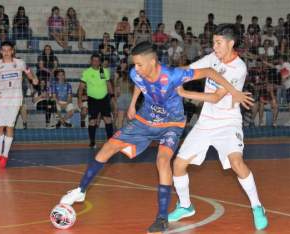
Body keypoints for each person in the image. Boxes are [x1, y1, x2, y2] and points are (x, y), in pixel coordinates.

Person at [59, 41, 253, 233]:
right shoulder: (136, 72)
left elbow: (210, 72)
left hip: (171, 124)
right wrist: (134, 103)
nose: (136, 68)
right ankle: (81, 191)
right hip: (145, 119)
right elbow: (139, 82)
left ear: (153, 62)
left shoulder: (173, 75)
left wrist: (234, 91)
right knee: (110, 146)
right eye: (134, 64)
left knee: (162, 161)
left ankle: (162, 218)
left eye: (139, 64)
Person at [167, 24, 268, 231]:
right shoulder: (212, 58)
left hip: (228, 123)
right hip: (205, 123)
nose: (214, 46)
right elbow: (191, 70)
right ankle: (186, 206)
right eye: (213, 42)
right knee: (178, 164)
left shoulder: (238, 67)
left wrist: (184, 93)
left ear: (231, 43)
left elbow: (215, 97)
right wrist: (167, 74)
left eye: (218, 43)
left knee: (236, 162)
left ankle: (257, 207)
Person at [0, 41, 38, 169]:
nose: (6, 52)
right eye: (3, 50)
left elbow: (29, 73)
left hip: (15, 99)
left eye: (8, 50)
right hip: (2, 99)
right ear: (0, 51)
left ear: (12, 51)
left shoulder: (20, 63)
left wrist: (33, 79)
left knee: (9, 127)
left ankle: (5, 156)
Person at [78, 54, 115, 148]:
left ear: (100, 62)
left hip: (104, 98)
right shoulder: (87, 72)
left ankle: (110, 141)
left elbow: (108, 84)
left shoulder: (103, 71)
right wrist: (79, 100)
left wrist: (112, 95)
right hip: (93, 100)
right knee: (92, 121)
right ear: (91, 61)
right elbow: (81, 87)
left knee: (108, 119)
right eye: (94, 60)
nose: (96, 62)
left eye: (97, 61)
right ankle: (92, 142)